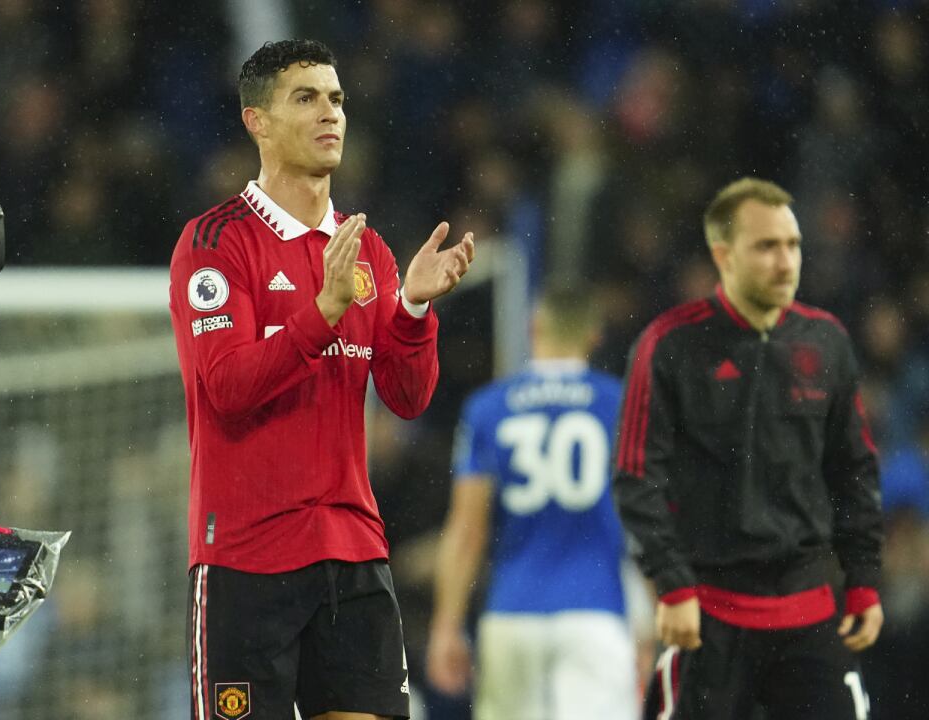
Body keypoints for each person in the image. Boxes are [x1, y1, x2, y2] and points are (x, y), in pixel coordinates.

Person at [169, 40, 475, 720]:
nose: (329, 112)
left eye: (336, 98)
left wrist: (414, 309)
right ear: (259, 122)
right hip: (247, 559)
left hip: (354, 550)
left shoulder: (368, 250)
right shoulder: (215, 242)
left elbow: (407, 395)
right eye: (305, 98)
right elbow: (227, 387)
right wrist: (323, 312)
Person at [613, 177, 884, 719]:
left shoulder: (827, 341)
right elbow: (637, 477)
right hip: (707, 614)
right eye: (767, 246)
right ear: (723, 255)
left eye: (793, 245)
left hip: (808, 613)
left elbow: (854, 471)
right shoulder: (669, 345)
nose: (786, 261)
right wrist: (670, 584)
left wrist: (864, 580)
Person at [426, 284, 638, 720]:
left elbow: (467, 530)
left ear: (533, 328)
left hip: (512, 611)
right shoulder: (619, 405)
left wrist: (447, 624)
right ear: (594, 335)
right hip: (595, 611)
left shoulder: (488, 408)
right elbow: (646, 520)